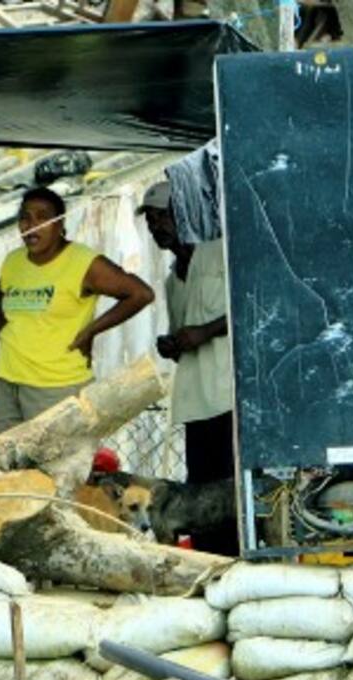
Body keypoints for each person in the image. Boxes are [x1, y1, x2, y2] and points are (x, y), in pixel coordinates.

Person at [0, 186, 155, 435]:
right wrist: (5, 333)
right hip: (8, 380)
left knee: (54, 468)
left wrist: (91, 331)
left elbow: (140, 294)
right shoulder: (13, 260)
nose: (31, 225)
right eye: (25, 217)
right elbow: (0, 291)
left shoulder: (83, 262)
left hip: (56, 385)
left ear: (60, 224)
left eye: (42, 217)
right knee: (12, 468)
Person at [140, 180, 237, 555]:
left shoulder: (220, 254)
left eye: (162, 216)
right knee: (200, 490)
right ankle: (212, 565)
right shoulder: (171, 278)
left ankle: (238, 560)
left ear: (187, 213)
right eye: (150, 219)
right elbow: (186, 338)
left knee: (232, 491)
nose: (155, 226)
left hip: (230, 394)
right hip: (196, 400)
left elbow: (252, 308)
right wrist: (172, 344)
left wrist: (206, 331)